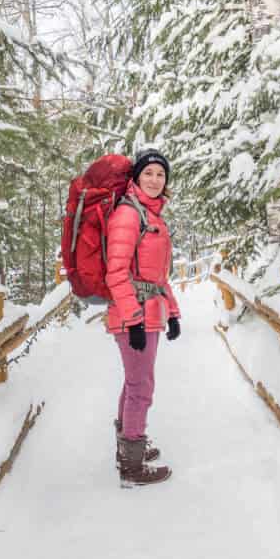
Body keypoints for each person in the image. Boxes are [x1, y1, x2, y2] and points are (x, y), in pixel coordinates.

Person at [105, 148, 181, 487]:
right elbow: (116, 273)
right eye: (148, 173)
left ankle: (128, 446)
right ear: (136, 177)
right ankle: (132, 468)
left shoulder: (152, 215)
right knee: (141, 387)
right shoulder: (128, 214)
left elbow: (158, 277)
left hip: (148, 312)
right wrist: (134, 319)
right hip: (132, 315)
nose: (154, 179)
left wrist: (174, 312)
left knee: (134, 382)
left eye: (160, 174)